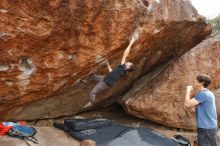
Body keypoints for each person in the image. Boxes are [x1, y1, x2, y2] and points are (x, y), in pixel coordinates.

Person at [85, 37, 136, 107]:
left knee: (92, 93)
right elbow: (112, 72)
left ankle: (91, 103)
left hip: (105, 83)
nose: (127, 62)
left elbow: (125, 54)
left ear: (127, 67)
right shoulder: (123, 71)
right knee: (93, 76)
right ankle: (86, 80)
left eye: (128, 63)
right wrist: (107, 64)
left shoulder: (122, 68)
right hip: (105, 78)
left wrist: (131, 43)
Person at [184, 74, 218, 146]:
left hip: (206, 128)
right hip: (210, 126)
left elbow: (187, 104)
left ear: (201, 82)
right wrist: (197, 110)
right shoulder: (209, 93)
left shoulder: (203, 94)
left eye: (196, 80)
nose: (194, 81)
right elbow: (207, 109)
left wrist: (188, 91)